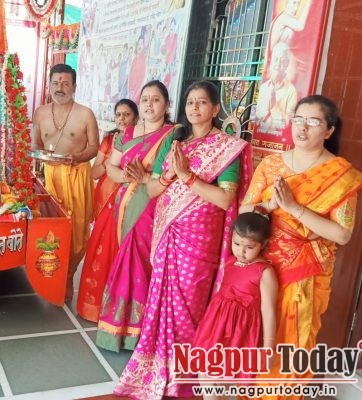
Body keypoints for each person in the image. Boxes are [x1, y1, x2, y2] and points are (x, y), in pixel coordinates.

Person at [113, 80, 253, 399]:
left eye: (202, 102)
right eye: (190, 102)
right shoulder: (175, 143)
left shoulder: (225, 148)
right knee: (162, 301)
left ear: (215, 109)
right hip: (168, 233)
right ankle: (157, 368)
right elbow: (153, 190)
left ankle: (185, 376)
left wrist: (188, 176)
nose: (194, 108)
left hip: (200, 239)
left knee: (189, 304)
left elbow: (225, 200)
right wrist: (169, 174)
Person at [240, 95, 362, 399]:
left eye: (313, 121)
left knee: (290, 347)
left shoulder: (340, 176)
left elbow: (342, 234)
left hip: (304, 273)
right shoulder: (271, 165)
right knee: (255, 339)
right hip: (262, 269)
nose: (302, 127)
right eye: (298, 119)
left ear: (329, 130)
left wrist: (294, 208)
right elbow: (245, 210)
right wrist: (271, 206)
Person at [95, 80, 177, 350]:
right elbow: (111, 166)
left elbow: (171, 176)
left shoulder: (173, 135)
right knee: (124, 259)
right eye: (145, 99)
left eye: (156, 99)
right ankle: (119, 328)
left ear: (166, 104)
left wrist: (143, 179)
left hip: (152, 205)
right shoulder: (127, 133)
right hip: (124, 205)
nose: (149, 104)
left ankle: (137, 331)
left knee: (140, 263)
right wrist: (128, 177)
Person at [193, 212, 278, 399]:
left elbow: (269, 311)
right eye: (237, 244)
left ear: (263, 245)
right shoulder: (231, 261)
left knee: (222, 381)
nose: (241, 251)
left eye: (249, 247)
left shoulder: (265, 272)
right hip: (215, 327)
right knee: (205, 374)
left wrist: (268, 348)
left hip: (239, 332)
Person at [33, 63, 99, 301]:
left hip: (76, 175)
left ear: (74, 86)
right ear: (49, 85)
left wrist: (77, 157)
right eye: (55, 83)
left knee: (77, 229)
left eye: (65, 83)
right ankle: (50, 271)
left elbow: (94, 147)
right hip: (50, 176)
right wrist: (39, 158)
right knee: (50, 226)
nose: (59, 87)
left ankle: (69, 274)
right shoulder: (40, 113)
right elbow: (36, 144)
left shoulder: (85, 114)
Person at [77, 98, 139, 322]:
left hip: (133, 200)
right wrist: (112, 160)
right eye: (118, 114)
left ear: (136, 118)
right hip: (108, 201)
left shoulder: (142, 141)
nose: (122, 119)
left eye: (127, 114)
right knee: (101, 250)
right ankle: (94, 307)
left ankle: (118, 311)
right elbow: (94, 173)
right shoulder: (109, 140)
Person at [255, 42, 298, 134]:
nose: (278, 64)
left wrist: (274, 107)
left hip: (279, 137)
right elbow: (258, 119)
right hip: (261, 135)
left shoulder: (291, 91)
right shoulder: (264, 87)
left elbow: (287, 125)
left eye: (282, 61)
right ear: (271, 61)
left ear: (287, 64)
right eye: (276, 59)